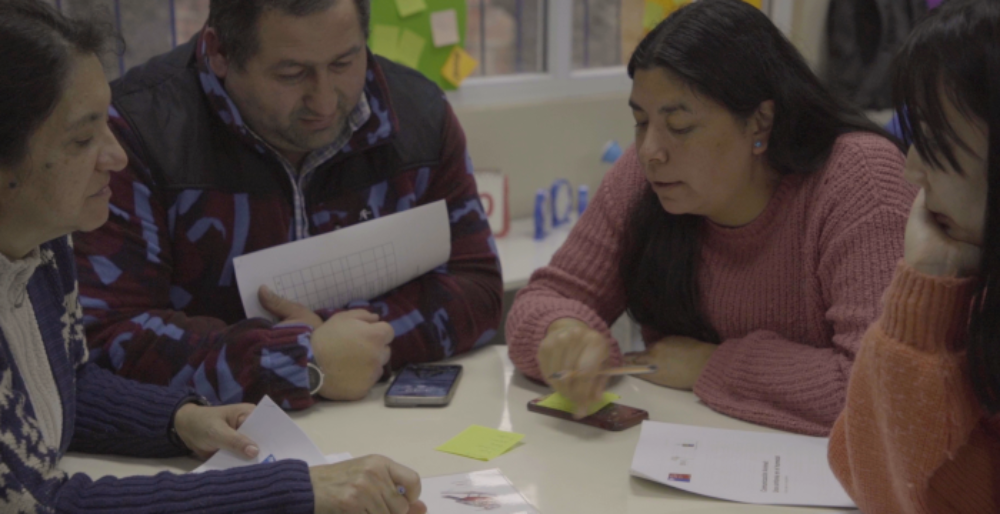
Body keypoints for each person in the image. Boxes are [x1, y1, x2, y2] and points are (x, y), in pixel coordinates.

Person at [0, 1, 426, 512]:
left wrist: (177, 419)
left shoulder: (43, 246)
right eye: (83, 138)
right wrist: (297, 491)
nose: (115, 156)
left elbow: (67, 382)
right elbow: (34, 505)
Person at [505, 0, 916, 436]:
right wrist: (564, 332)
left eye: (679, 126)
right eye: (640, 122)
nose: (651, 151)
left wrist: (710, 364)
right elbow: (542, 299)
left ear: (760, 121)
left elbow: (883, 389)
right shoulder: (645, 174)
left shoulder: (859, 178)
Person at [72, 0, 502, 409]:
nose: (325, 101)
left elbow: (479, 288)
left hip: (382, 421)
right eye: (292, 73)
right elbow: (105, 338)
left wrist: (346, 342)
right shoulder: (133, 137)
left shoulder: (419, 116)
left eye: (345, 63)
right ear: (220, 52)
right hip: (211, 450)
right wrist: (300, 358)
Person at [829, 0, 1000, 511]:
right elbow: (862, 474)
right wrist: (925, 285)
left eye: (935, 141)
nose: (912, 172)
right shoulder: (973, 279)